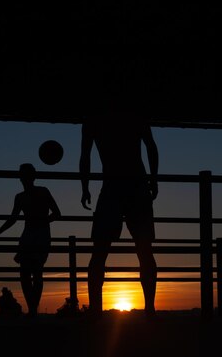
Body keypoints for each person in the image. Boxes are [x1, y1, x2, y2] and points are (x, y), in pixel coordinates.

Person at [79, 104, 159, 320]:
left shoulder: (93, 118)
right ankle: (149, 308)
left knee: (100, 251)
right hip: (136, 184)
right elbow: (151, 146)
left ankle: (96, 310)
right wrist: (154, 179)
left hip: (113, 186)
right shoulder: (135, 114)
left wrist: (84, 186)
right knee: (144, 249)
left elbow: (85, 154)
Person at [0, 163, 61, 317]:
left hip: (39, 235)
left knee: (34, 272)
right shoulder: (23, 196)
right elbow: (13, 219)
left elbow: (57, 213)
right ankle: (32, 308)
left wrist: (41, 221)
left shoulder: (38, 193)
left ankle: (33, 308)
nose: (24, 178)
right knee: (27, 273)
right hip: (32, 235)